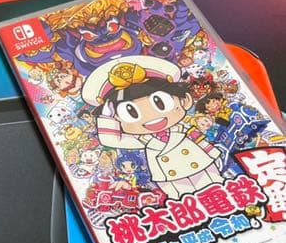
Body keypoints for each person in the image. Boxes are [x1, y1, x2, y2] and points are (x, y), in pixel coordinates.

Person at [82, 56, 223, 199]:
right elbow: (111, 140)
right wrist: (106, 116)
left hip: (202, 165)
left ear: (185, 100)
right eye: (130, 112)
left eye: (160, 103)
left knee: (219, 190)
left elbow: (199, 141)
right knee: (184, 200)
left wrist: (214, 156)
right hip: (170, 178)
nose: (150, 116)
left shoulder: (183, 128)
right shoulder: (142, 139)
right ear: (117, 119)